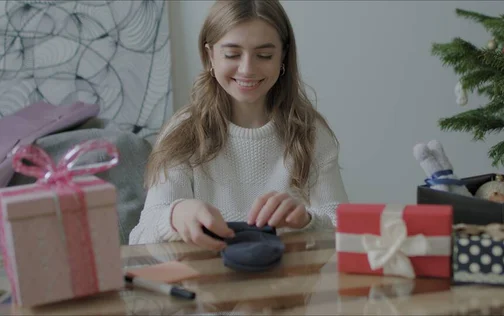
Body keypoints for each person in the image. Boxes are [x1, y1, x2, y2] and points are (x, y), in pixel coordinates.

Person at [128, 0, 348, 248]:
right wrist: (174, 216)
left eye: (264, 55)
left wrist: (308, 221)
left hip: (288, 283)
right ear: (210, 55)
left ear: (283, 56)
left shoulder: (311, 133)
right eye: (232, 54)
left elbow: (346, 229)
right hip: (206, 283)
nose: (247, 69)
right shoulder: (184, 132)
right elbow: (139, 239)